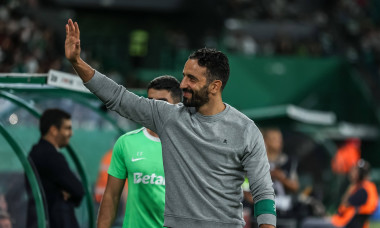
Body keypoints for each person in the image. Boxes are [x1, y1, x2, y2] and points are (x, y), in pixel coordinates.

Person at [65, 19, 276, 228]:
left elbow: (263, 192)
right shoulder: (168, 117)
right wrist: (77, 62)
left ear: (215, 86)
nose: (183, 84)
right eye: (184, 76)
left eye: (192, 79)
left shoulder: (246, 130)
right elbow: (118, 98)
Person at [97, 75, 182, 228]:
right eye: (150, 102)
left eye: (162, 103)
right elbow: (111, 197)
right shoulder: (126, 143)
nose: (155, 108)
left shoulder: (191, 146)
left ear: (178, 106)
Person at [27, 109, 84, 228]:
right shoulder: (51, 156)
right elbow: (78, 190)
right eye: (67, 128)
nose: (71, 133)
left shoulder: (34, 152)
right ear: (53, 130)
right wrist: (63, 192)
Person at [301, 159, 379, 228]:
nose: (352, 172)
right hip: (344, 222)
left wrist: (352, 185)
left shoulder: (362, 191)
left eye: (355, 171)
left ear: (360, 174)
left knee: (306, 223)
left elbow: (344, 205)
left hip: (343, 224)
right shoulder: (368, 187)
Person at [262, 128, 299, 218]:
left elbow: (295, 187)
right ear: (266, 141)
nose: (279, 142)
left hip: (282, 209)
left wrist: (281, 178)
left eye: (280, 139)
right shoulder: (257, 160)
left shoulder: (287, 161)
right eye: (275, 139)